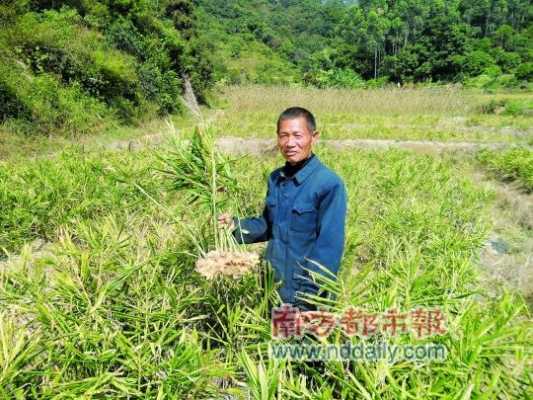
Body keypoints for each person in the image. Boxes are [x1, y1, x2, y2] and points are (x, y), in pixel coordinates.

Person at [218, 107, 347, 311]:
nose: (290, 143)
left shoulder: (328, 184)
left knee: (301, 342)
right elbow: (268, 225)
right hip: (272, 286)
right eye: (283, 136)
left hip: (305, 292)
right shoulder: (276, 179)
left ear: (314, 137)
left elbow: (329, 248)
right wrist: (234, 225)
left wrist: (309, 296)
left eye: (297, 135)